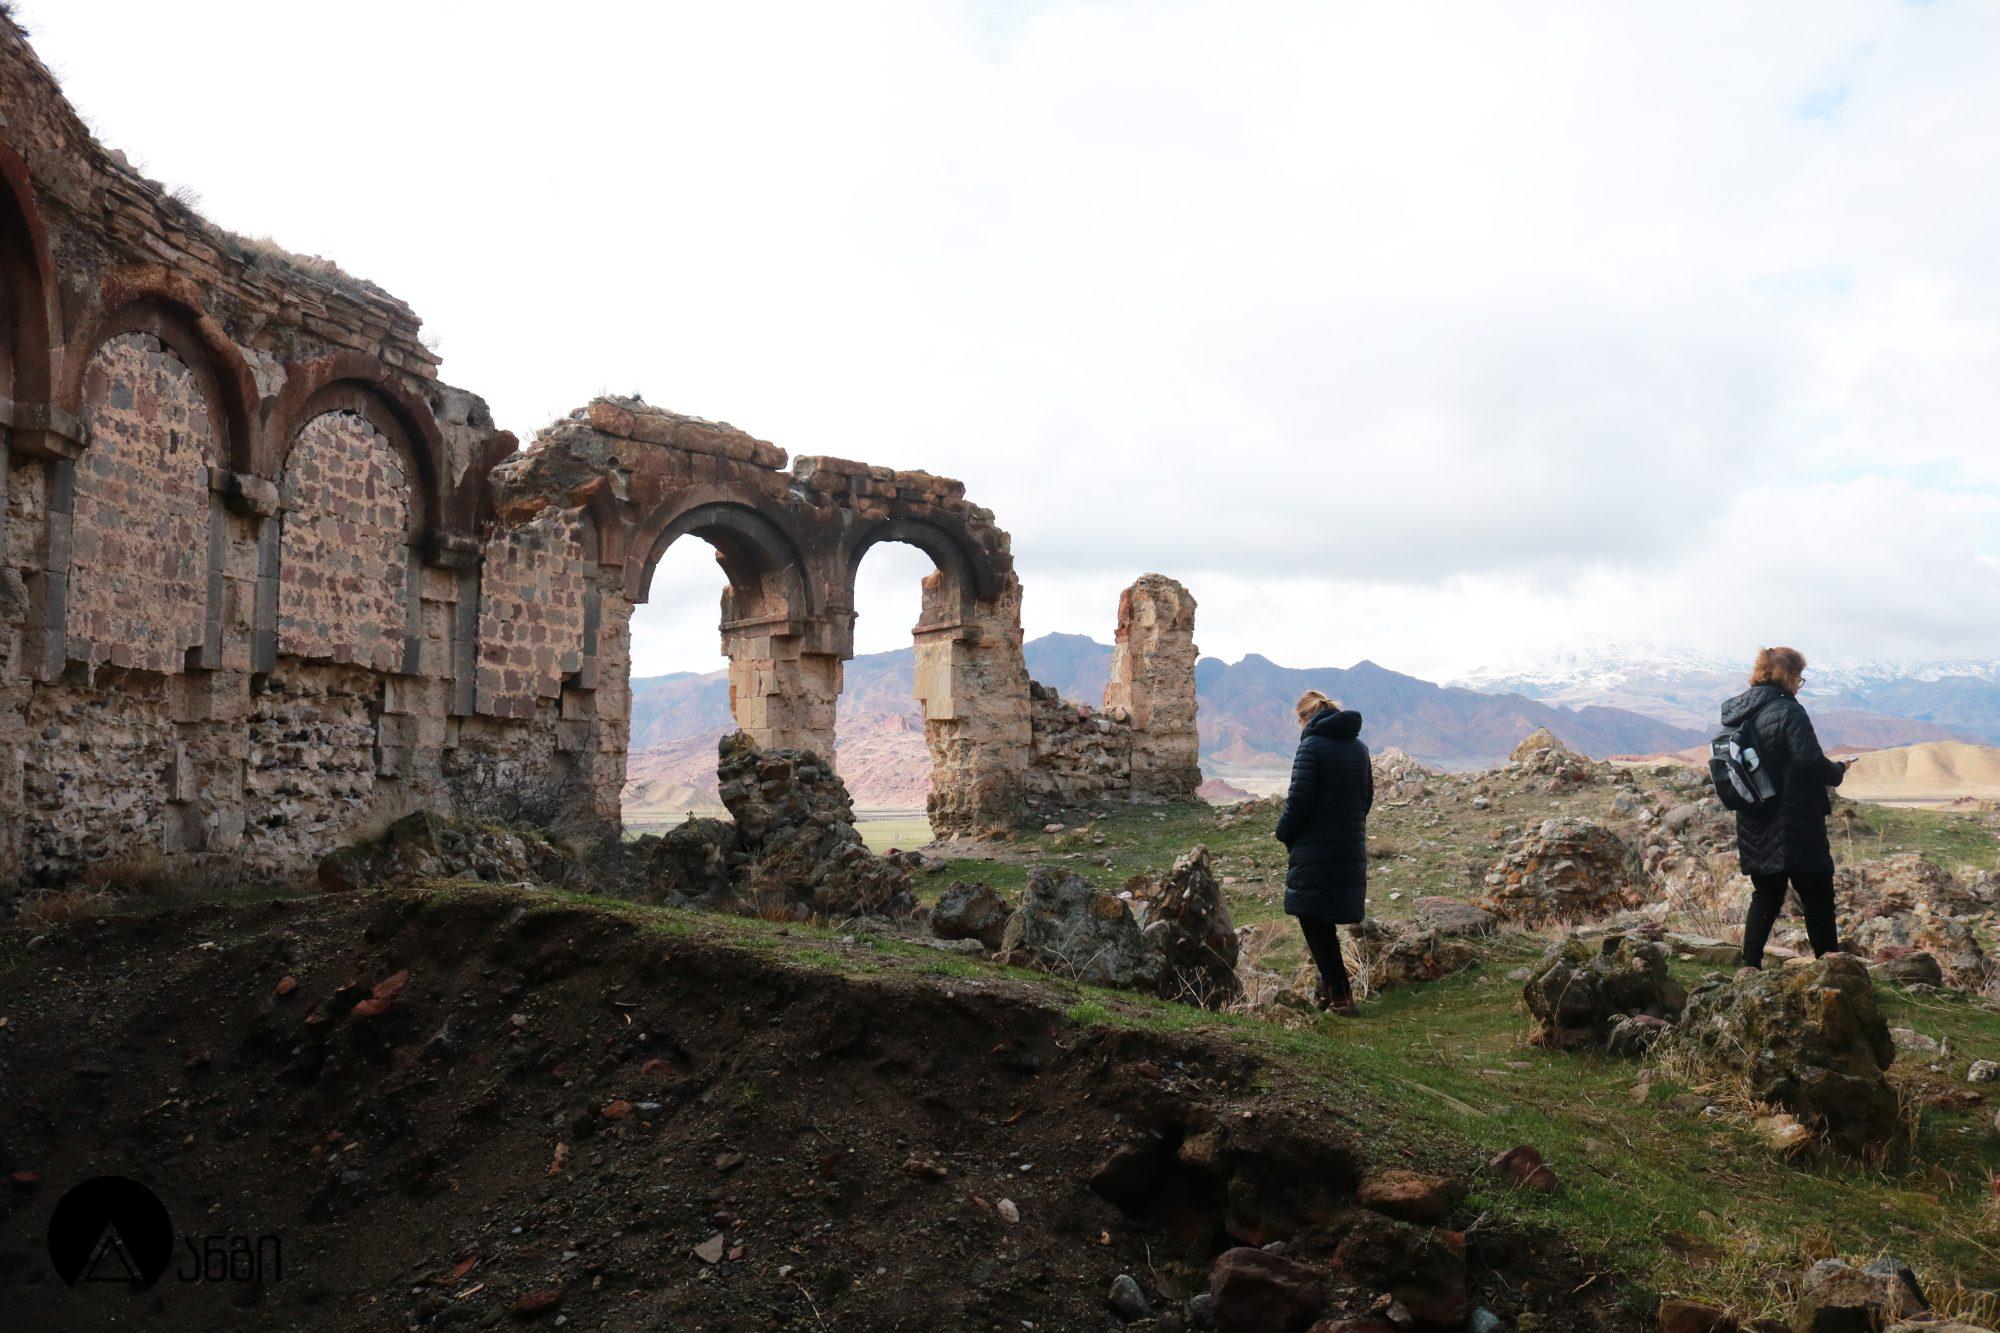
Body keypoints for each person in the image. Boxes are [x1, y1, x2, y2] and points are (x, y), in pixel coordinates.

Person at [1719, 646, 1850, 969]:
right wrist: (1838, 771)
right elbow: (1808, 759)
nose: (1798, 684)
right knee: (1817, 893)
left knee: (1766, 894)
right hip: (1795, 818)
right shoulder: (1789, 710)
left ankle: (1750, 964)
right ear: (1788, 676)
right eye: (1799, 678)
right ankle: (1829, 967)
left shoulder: (1738, 712)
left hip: (1754, 816)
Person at [1275, 690, 1373, 1015]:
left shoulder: (1311, 747)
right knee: (1321, 918)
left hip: (1315, 847)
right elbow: (1366, 799)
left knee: (1312, 918)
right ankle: (1326, 988)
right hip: (1348, 844)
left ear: (1305, 718)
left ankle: (1341, 995)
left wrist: (1283, 832)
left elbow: (1298, 801)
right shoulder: (1359, 748)